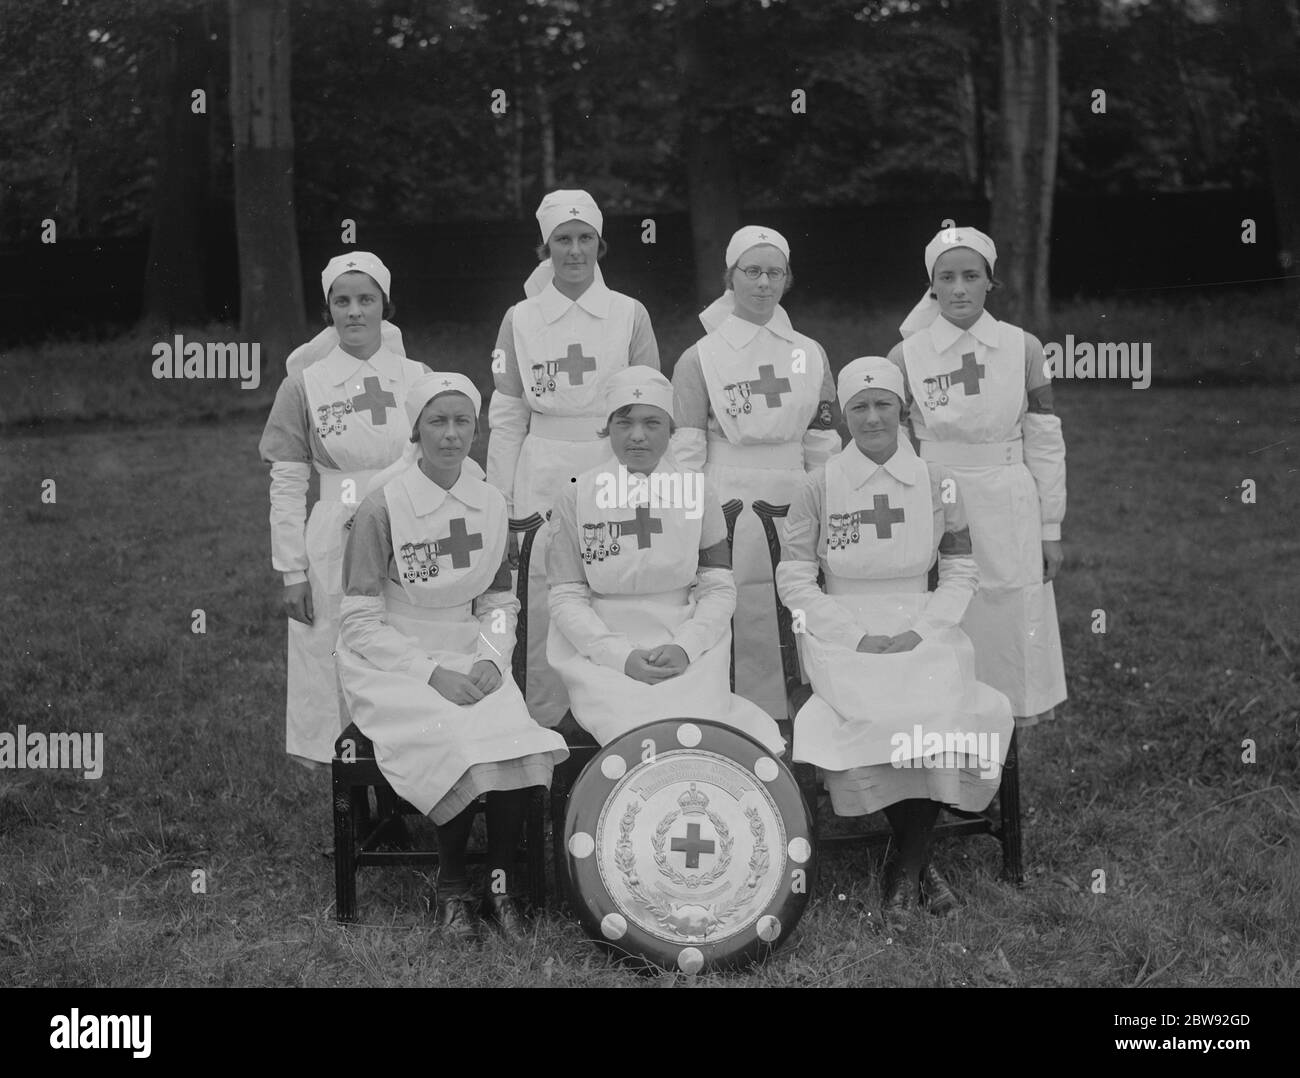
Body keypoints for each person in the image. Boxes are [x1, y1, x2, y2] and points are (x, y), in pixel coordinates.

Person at [777, 356, 1013, 926]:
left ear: (903, 409)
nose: (873, 417)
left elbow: (958, 568)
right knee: (880, 707)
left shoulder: (936, 482)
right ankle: (916, 865)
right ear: (843, 416)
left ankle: (905, 870)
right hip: (841, 628)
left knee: (934, 702)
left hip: (924, 624)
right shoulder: (818, 484)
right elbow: (795, 577)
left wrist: (922, 629)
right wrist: (853, 635)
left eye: (884, 403)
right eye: (860, 406)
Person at [336, 372, 569, 941]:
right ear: (416, 430)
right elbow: (360, 621)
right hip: (393, 659)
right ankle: (451, 887)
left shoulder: (490, 503)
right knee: (458, 739)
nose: (451, 434)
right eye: (437, 422)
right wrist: (432, 674)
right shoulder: (381, 508)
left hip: (469, 649)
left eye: (462, 420)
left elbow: (497, 601)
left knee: (513, 734)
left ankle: (501, 883)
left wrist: (491, 659)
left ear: (477, 427)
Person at [486, 190, 660, 730]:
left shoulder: (629, 313)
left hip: (615, 463)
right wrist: (501, 500)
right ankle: (545, 721)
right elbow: (508, 414)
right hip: (542, 468)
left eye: (585, 239)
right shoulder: (520, 319)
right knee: (546, 588)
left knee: (613, 583)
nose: (575, 251)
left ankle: (615, 717)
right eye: (563, 239)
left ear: (600, 245)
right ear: (545, 247)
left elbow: (650, 403)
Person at [547, 366, 785, 755]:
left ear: (671, 430)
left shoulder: (696, 492)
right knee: (636, 727)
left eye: (652, 423)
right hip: (602, 650)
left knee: (697, 729)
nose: (637, 435)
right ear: (608, 428)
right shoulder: (577, 495)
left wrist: (685, 647)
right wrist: (620, 657)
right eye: (624, 423)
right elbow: (565, 597)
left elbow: (717, 587)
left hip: (684, 640)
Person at [888, 226, 1067, 726]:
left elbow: (1044, 437)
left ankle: (1006, 736)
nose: (960, 288)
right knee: (948, 606)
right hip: (941, 497)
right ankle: (949, 733)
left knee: (1009, 606)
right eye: (947, 278)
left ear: (991, 282)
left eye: (972, 276)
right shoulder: (906, 357)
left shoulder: (1023, 347)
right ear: (932, 287)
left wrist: (1050, 527)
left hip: (1008, 497)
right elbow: (897, 441)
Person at [259, 252, 430, 766]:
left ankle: (410, 769)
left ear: (385, 306)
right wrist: (291, 570)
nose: (354, 311)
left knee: (406, 642)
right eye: (342, 301)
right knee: (337, 646)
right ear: (329, 309)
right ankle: (350, 777)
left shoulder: (416, 376)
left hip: (408, 521)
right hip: (337, 525)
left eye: (366, 300)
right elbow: (287, 482)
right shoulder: (304, 386)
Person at [670, 226, 841, 722]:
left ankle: (807, 728)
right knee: (738, 608)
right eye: (752, 272)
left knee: (799, 609)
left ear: (787, 279)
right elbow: (686, 452)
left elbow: (822, 441)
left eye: (774, 273)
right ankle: (738, 722)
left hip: (796, 496)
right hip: (729, 499)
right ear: (731, 278)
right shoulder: (699, 358)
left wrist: (831, 503)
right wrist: (690, 523)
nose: (763, 284)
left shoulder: (810, 353)